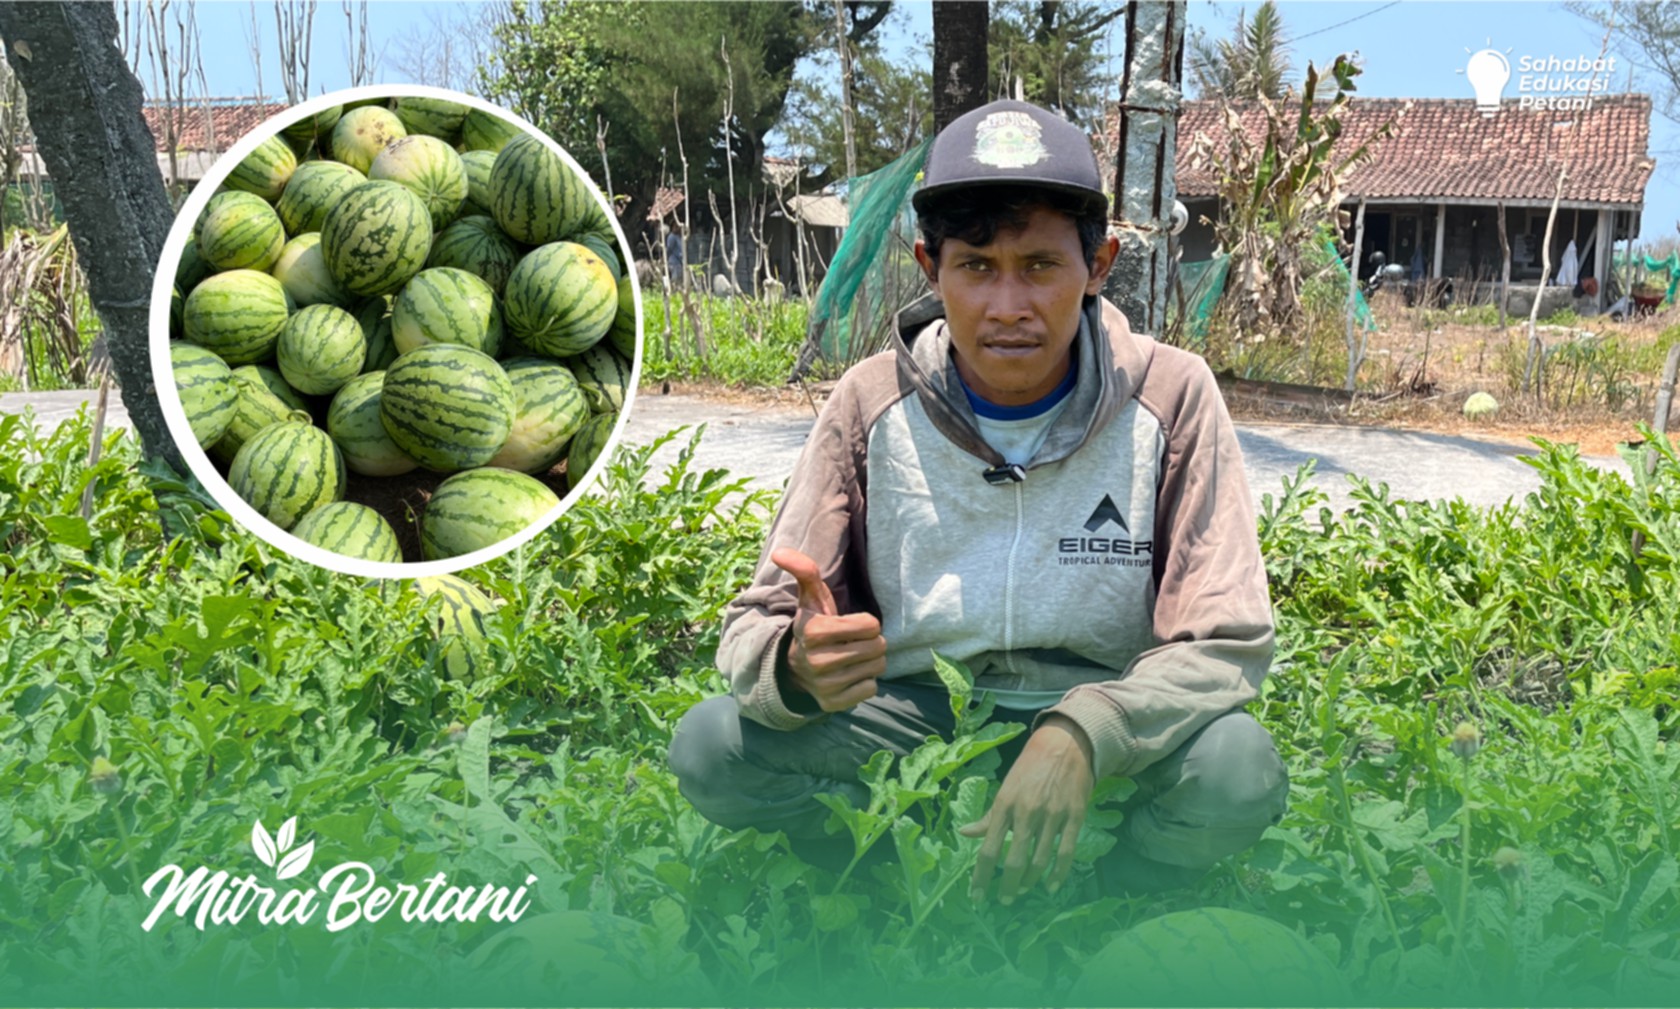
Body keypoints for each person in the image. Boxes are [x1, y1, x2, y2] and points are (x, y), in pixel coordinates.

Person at [668, 99, 1287, 902]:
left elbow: (1228, 639)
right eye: (976, 266)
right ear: (931, 268)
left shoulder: (1172, 396)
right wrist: (793, 665)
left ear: (1099, 264)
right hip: (915, 712)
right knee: (714, 744)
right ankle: (886, 885)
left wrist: (1086, 728)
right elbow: (757, 622)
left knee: (1237, 770)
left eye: (1039, 266)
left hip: (1109, 715)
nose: (1007, 307)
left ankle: (1103, 900)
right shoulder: (866, 402)